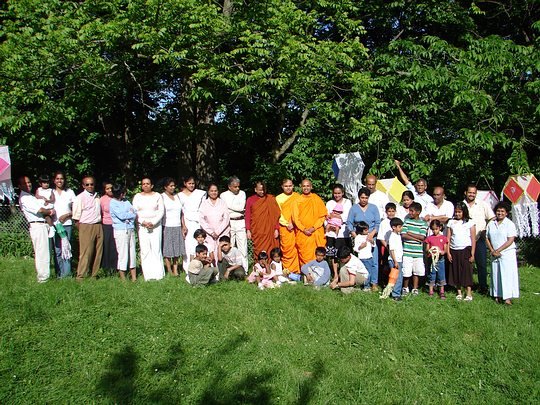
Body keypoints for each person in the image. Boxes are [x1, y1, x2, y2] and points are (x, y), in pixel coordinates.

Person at [18, 176, 54, 282]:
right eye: (24, 183)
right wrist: (50, 212)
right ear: (19, 186)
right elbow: (40, 210)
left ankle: (45, 276)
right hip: (37, 226)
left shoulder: (31, 196)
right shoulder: (24, 198)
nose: (28, 184)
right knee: (41, 253)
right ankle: (43, 278)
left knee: (45, 252)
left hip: (43, 225)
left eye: (29, 182)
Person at [346, 187, 381, 291]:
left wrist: (372, 234)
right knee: (361, 261)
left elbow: (377, 223)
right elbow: (349, 223)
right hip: (358, 237)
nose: (364, 200)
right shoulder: (354, 208)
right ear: (359, 197)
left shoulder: (373, 208)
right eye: (362, 198)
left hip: (371, 236)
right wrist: (355, 236)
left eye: (366, 198)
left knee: (374, 261)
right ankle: (362, 282)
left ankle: (374, 282)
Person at [463, 184, 495, 293]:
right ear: (465, 193)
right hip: (465, 238)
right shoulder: (462, 205)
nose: (471, 194)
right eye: (469, 192)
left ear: (476, 194)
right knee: (466, 264)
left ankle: (483, 286)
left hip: (480, 237)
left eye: (473, 193)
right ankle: (467, 284)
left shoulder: (482, 204)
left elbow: (492, 218)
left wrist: (486, 230)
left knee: (481, 263)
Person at [132, 177, 165, 281]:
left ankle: (159, 274)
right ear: (141, 186)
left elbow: (161, 211)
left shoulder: (157, 196)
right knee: (145, 249)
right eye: (144, 184)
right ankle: (148, 274)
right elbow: (134, 211)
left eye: (147, 183)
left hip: (156, 226)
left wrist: (153, 222)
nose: (145, 185)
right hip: (142, 226)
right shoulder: (137, 197)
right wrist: (143, 222)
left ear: (152, 185)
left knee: (156, 249)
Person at [486, 202, 519, 305]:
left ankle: (507, 298)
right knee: (495, 274)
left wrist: (498, 250)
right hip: (494, 253)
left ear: (506, 213)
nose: (500, 213)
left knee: (507, 275)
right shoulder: (491, 224)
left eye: (502, 211)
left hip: (507, 253)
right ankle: (497, 295)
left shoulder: (509, 224)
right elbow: (486, 237)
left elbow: (510, 240)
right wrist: (492, 250)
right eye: (498, 211)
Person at [72, 176, 103, 280]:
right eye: (87, 184)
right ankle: (81, 275)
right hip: (86, 225)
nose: (90, 186)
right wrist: (81, 229)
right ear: (83, 186)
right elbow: (76, 218)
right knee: (86, 252)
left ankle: (94, 274)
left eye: (92, 184)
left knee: (98, 252)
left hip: (98, 225)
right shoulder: (79, 198)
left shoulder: (97, 196)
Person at [292, 179, 328, 268]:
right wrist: (303, 229)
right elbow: (295, 218)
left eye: (308, 186)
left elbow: (322, 216)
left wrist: (313, 228)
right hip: (302, 233)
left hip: (315, 232)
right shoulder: (297, 200)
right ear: (301, 187)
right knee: (305, 254)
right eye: (304, 186)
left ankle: (319, 272)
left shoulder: (316, 198)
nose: (306, 188)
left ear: (311, 187)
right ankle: (306, 273)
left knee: (318, 253)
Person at [447, 202, 476, 301]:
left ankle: (468, 293)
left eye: (459, 212)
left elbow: (473, 239)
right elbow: (448, 238)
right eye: (456, 212)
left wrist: (472, 253)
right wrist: (448, 252)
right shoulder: (451, 222)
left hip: (466, 249)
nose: (457, 214)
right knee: (456, 271)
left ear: (464, 212)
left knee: (466, 271)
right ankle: (459, 292)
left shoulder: (470, 222)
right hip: (454, 249)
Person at [245, 181, 281, 259]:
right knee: (259, 250)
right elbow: (247, 215)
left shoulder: (271, 199)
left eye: (264, 190)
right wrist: (248, 229)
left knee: (272, 249)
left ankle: (272, 264)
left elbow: (276, 215)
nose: (262, 192)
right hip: (257, 231)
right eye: (260, 190)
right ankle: (259, 265)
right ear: (255, 190)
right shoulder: (250, 200)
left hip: (270, 231)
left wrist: (276, 228)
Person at [109, 184, 137, 281]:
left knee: (132, 252)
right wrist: (130, 214)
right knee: (123, 253)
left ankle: (134, 277)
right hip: (120, 230)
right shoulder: (113, 203)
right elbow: (121, 216)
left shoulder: (126, 201)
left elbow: (134, 212)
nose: (124, 194)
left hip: (130, 229)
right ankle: (123, 278)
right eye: (123, 192)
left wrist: (130, 215)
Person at [179, 175, 206, 272]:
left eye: (193, 183)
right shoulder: (180, 195)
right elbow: (181, 212)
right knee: (188, 244)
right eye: (189, 183)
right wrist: (183, 225)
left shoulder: (200, 193)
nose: (191, 185)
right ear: (185, 183)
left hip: (198, 221)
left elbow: (203, 209)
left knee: (198, 242)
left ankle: (200, 264)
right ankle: (187, 266)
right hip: (187, 222)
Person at [51, 170, 76, 278]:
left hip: (67, 224)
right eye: (57, 179)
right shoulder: (51, 192)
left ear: (64, 180)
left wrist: (67, 215)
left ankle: (67, 274)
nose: (59, 181)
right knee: (57, 250)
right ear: (54, 180)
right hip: (54, 225)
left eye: (61, 178)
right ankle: (59, 274)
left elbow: (76, 209)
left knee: (66, 248)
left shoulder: (70, 192)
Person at [325, 183, 352, 280]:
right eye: (335, 193)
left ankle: (344, 274)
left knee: (343, 254)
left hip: (343, 232)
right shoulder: (329, 203)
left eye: (339, 193)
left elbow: (347, 216)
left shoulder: (347, 202)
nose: (337, 195)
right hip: (331, 233)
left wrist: (337, 217)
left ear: (343, 193)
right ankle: (335, 274)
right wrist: (329, 224)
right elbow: (326, 216)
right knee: (333, 255)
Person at [220, 176, 248, 269]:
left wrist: (230, 207)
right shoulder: (223, 195)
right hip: (230, 222)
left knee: (243, 246)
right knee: (229, 245)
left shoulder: (242, 193)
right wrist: (239, 209)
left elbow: (241, 206)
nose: (237, 188)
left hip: (240, 221)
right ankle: (229, 268)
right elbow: (236, 208)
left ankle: (245, 268)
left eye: (238, 186)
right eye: (235, 187)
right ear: (229, 187)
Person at [401, 202, 428, 296]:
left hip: (418, 252)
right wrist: (416, 238)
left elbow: (422, 237)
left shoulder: (423, 223)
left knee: (416, 271)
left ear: (418, 212)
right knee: (406, 271)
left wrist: (410, 233)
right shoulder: (406, 221)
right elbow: (404, 235)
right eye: (410, 211)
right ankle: (405, 287)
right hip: (407, 251)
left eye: (412, 211)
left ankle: (415, 288)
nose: (410, 213)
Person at [199, 183, 230, 262]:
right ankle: (213, 268)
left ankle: (223, 267)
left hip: (222, 232)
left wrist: (218, 232)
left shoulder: (222, 203)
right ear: (208, 192)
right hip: (209, 234)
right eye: (211, 191)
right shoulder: (204, 203)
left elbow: (226, 219)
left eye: (215, 191)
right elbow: (201, 220)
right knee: (211, 251)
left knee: (223, 251)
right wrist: (211, 232)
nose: (214, 192)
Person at [276, 179, 301, 273]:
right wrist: (287, 223)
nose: (288, 188)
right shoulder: (278, 198)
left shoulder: (298, 197)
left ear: (293, 186)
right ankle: (288, 270)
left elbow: (300, 212)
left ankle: (297, 270)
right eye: (286, 186)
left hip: (297, 226)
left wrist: (294, 223)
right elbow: (278, 213)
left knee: (297, 247)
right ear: (282, 187)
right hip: (285, 227)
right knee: (287, 249)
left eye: (290, 186)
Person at [161, 177, 186, 276]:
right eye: (170, 186)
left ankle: (175, 269)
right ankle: (169, 269)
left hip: (177, 225)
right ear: (165, 187)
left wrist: (183, 225)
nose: (173, 187)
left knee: (176, 248)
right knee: (167, 249)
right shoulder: (162, 197)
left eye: (174, 186)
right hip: (167, 225)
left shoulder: (177, 196)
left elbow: (181, 213)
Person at [425, 219, 448, 299]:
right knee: (432, 274)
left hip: (440, 259)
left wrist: (442, 252)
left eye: (436, 229)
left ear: (440, 228)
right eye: (433, 229)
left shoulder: (443, 238)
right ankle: (431, 290)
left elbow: (445, 249)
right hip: (432, 260)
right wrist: (431, 251)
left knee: (441, 274)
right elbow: (427, 249)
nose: (435, 231)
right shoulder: (429, 238)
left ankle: (441, 291)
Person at [100, 181, 118, 274]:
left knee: (115, 246)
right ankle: (107, 268)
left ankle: (116, 267)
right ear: (105, 190)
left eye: (111, 188)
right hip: (106, 225)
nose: (110, 190)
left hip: (117, 225)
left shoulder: (118, 197)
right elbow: (100, 213)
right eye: (107, 189)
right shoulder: (102, 199)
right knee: (107, 245)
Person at [388, 217, 404, 300]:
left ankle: (396, 292)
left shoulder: (398, 235)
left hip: (399, 259)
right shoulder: (392, 237)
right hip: (395, 260)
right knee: (397, 278)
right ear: (394, 227)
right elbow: (392, 250)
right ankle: (395, 294)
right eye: (399, 227)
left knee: (399, 277)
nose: (401, 228)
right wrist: (395, 261)